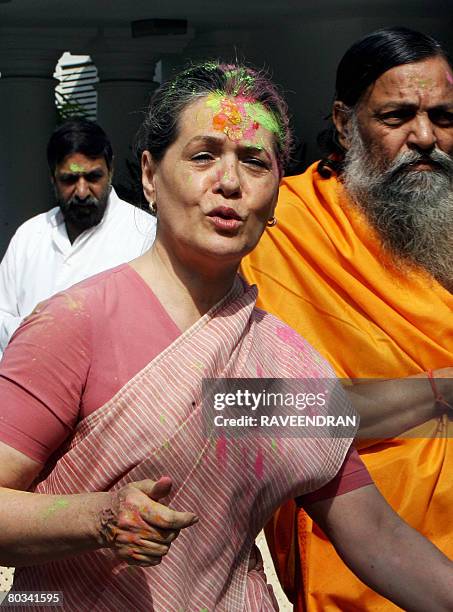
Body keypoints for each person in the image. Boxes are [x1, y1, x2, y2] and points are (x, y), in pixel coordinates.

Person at [1, 62, 453, 612]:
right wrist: (96, 517)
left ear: (276, 195)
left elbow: (374, 536)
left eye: (255, 162)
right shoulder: (75, 323)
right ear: (148, 174)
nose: (231, 183)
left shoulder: (286, 359)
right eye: (203, 156)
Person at [241, 27, 453, 611]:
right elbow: (241, 409)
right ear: (344, 122)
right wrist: (437, 394)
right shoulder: (277, 226)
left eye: (444, 116)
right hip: (365, 564)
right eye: (397, 116)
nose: (426, 138)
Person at [0, 118, 156, 356]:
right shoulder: (29, 237)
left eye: (93, 177)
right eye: (70, 180)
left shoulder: (145, 235)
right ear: (53, 177)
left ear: (110, 171)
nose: (82, 192)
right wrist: (31, 329)